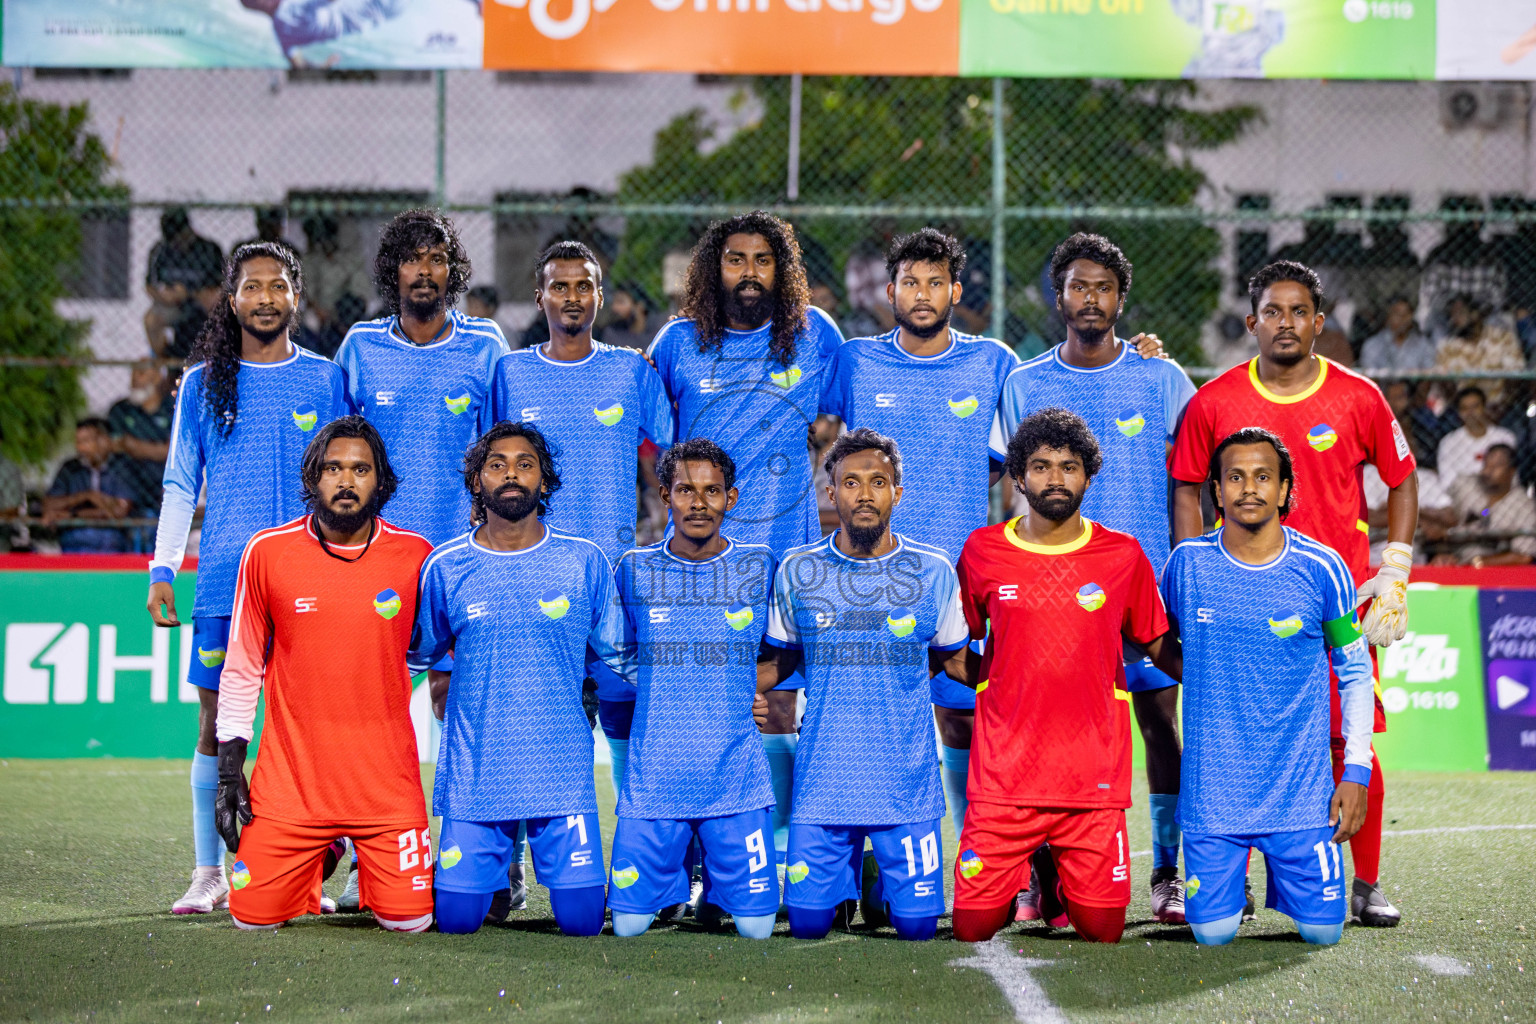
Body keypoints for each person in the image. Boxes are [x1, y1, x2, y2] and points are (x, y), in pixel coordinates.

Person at [1169, 259, 1419, 928]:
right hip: (1236, 602)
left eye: (1298, 311)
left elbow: (1402, 476)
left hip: (1328, 603)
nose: (1286, 323)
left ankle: (1362, 881)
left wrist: (1395, 566)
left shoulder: (1358, 396)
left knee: (1348, 740)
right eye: (1271, 312)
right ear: (1252, 323)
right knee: (1229, 740)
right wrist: (1191, 577)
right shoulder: (1214, 400)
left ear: (1319, 320)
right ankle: (1232, 884)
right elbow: (1187, 485)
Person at [990, 232, 1195, 924]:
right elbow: (1004, 480)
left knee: (1160, 723)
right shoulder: (1023, 383)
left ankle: (1168, 870)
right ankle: (1040, 880)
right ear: (1059, 297)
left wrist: (1187, 572)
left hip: (1147, 588)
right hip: (1052, 590)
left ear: (1120, 299)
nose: (1091, 299)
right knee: (1048, 730)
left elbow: (1191, 479)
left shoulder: (1161, 377)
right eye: (1078, 287)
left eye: (1103, 288)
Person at [147, 241, 348, 916]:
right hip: (226, 583)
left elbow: (350, 481)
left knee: (313, 726)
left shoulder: (326, 381)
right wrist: (163, 565)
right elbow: (180, 481)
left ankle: (306, 869)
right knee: (215, 724)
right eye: (251, 286)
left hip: (312, 581)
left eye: (278, 285)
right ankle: (208, 870)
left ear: (296, 294)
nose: (265, 297)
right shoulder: (203, 384)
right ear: (230, 299)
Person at [647, 211, 845, 872]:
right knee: (704, 709)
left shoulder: (815, 336)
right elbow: (654, 448)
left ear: (782, 270)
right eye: (736, 259)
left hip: (788, 563)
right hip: (700, 568)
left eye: (764, 260)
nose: (750, 273)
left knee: (781, 700)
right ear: (714, 268)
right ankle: (702, 863)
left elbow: (848, 427)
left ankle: (779, 856)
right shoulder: (675, 344)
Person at [819, 228, 1018, 849]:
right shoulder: (855, 361)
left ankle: (972, 860)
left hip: (960, 573)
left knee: (962, 717)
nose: (923, 293)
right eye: (911, 282)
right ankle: (867, 869)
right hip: (868, 573)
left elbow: (1004, 462)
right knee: (864, 720)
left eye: (936, 282)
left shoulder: (994, 363)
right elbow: (814, 430)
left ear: (956, 289)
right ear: (890, 291)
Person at [949, 408, 1179, 945]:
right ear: (1018, 477)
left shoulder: (1122, 555)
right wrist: (997, 681)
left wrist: (1218, 682)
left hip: (1091, 782)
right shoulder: (983, 551)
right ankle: (1030, 868)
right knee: (972, 928)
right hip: (1005, 782)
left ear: (1089, 475)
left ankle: (1053, 878)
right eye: (1042, 466)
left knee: (1102, 931)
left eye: (1069, 466)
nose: (1056, 478)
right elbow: (952, 648)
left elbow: (1158, 645)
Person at [212, 416, 434, 933]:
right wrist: (228, 772)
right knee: (252, 920)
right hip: (292, 786)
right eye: (332, 468)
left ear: (381, 481)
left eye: (360, 469)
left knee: (411, 923)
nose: (346, 480)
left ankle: (342, 849)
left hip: (384, 788)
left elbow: (434, 650)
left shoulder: (416, 556)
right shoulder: (267, 552)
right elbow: (243, 665)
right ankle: (320, 852)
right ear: (313, 478)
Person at [758, 429, 971, 941]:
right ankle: (844, 884)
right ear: (830, 493)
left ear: (897, 492)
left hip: (905, 782)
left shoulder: (934, 570)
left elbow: (958, 662)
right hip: (824, 780)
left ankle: (872, 879)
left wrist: (1033, 684)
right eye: (850, 483)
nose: (864, 494)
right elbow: (779, 661)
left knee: (917, 928)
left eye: (878, 482)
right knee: (807, 926)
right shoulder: (797, 569)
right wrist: (731, 696)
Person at [1164, 428, 1373, 946]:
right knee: (1212, 936)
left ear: (1284, 490)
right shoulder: (1185, 565)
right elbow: (1153, 643)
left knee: (1324, 934)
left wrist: (1357, 770)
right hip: (1214, 795)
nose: (1249, 489)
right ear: (1216, 489)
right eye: (1235, 477)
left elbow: (1354, 671)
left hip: (1301, 796)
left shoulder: (1323, 567)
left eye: (1263, 477)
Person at [411, 422, 616, 937]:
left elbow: (616, 656)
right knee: (457, 922)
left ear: (544, 481)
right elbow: (418, 650)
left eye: (525, 464)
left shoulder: (584, 560)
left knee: (584, 922)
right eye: (497, 464)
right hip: (476, 776)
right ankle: (493, 874)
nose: (511, 474)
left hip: (560, 775)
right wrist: (440, 677)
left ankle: (542, 876)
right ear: (477, 480)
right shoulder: (446, 566)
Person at [491, 241, 673, 802]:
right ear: (540, 296)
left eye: (584, 285)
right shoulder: (511, 375)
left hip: (615, 578)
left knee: (623, 715)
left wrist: (666, 541)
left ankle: (639, 848)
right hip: (531, 576)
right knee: (534, 726)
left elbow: (677, 456)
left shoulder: (630, 371)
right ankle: (516, 863)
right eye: (560, 285)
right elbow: (488, 471)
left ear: (600, 295)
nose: (572, 296)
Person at [596, 438, 779, 939]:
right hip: (656, 778)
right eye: (685, 490)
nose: (699, 503)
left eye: (712, 491)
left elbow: (788, 649)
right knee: (629, 927)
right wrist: (676, 687)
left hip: (735, 777)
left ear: (732, 498)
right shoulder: (633, 569)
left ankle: (715, 890)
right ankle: (678, 888)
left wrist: (749, 687)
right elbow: (615, 656)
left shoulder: (760, 566)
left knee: (758, 929)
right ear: (663, 495)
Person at [42, 418, 137, 553]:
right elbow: (49, 506)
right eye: (78, 442)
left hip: (110, 538)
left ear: (103, 441)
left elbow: (119, 511)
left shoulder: (121, 467)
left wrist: (73, 514)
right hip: (74, 537)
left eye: (86, 442)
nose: (80, 448)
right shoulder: (70, 468)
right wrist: (85, 496)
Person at [109, 361, 175, 546]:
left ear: (156, 377)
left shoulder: (173, 408)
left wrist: (134, 446)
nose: (133, 380)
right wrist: (158, 449)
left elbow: (174, 451)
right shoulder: (120, 410)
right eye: (133, 373)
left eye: (140, 373)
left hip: (162, 480)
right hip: (127, 480)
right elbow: (113, 445)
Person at [144, 207, 224, 360]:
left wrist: (190, 292)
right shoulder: (160, 250)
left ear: (187, 231)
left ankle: (217, 358)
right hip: (173, 304)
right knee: (151, 321)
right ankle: (166, 362)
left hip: (201, 301)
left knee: (217, 304)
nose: (176, 243)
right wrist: (164, 297)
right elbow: (150, 285)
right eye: (171, 239)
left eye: (178, 238)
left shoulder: (208, 249)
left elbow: (220, 284)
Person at [1442, 444, 1536, 567]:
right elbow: (1445, 525)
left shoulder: (1524, 506)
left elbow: (1523, 556)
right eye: (1486, 464)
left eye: (1497, 466)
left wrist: (1476, 563)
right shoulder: (1467, 487)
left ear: (1511, 472)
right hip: (1459, 561)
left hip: (1498, 574)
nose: (1488, 471)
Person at [1433, 294, 1524, 409]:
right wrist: (1466, 410)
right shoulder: (1446, 346)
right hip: (1462, 409)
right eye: (1452, 314)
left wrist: (1501, 407)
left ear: (1475, 314)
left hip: (1499, 406)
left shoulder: (1503, 338)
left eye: (1459, 313)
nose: (1454, 319)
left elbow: (1515, 379)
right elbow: (1445, 384)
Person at [1436, 386, 1518, 488]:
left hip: (1498, 492)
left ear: (1484, 408)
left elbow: (1511, 476)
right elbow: (1447, 481)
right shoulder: (1448, 442)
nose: (1470, 413)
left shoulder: (1505, 437)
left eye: (1475, 407)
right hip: (1462, 495)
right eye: (1464, 408)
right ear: (1459, 413)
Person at [1358, 297, 1436, 373]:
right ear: (1389, 316)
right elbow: (1369, 375)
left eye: (1406, 314)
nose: (1403, 319)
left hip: (1412, 386)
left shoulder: (1423, 344)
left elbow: (1428, 375)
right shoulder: (1373, 344)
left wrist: (1407, 386)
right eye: (1398, 314)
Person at [601, 284, 657, 351]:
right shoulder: (612, 334)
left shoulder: (656, 334)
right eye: (614, 302)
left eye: (620, 302)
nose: (614, 307)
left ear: (639, 306)